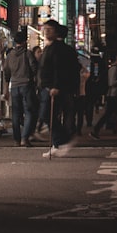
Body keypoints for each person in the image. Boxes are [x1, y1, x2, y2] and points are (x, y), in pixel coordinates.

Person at [38, 19, 81, 158]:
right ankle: (57, 143)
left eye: (49, 29)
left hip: (53, 88)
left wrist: (55, 86)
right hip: (47, 87)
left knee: (47, 115)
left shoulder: (57, 48)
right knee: (50, 116)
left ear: (56, 32)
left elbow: (58, 69)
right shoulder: (49, 47)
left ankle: (63, 140)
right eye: (45, 29)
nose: (46, 31)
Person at [4, 29, 38, 146]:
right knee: (29, 112)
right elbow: (34, 68)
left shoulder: (10, 55)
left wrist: (6, 88)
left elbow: (6, 72)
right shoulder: (27, 53)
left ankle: (16, 140)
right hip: (26, 85)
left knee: (16, 114)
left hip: (14, 86)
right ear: (24, 41)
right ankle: (25, 138)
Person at [90, 51, 117, 140]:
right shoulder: (114, 68)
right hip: (113, 95)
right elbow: (112, 83)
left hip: (116, 95)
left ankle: (96, 131)